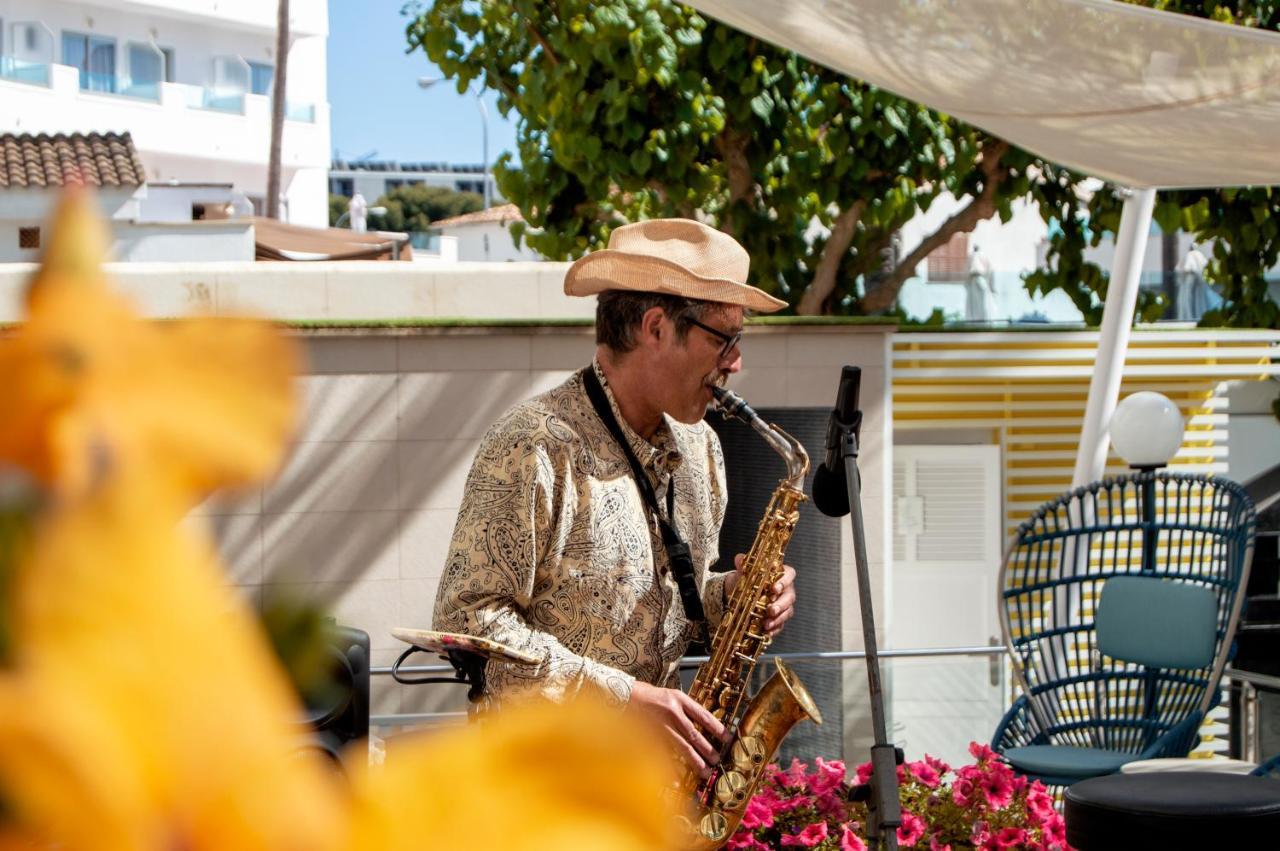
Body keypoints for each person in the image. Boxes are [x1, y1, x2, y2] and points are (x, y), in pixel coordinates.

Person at [432, 218, 798, 777]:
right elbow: (469, 619)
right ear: (655, 327)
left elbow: (682, 607)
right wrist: (624, 697)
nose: (736, 361)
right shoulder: (533, 444)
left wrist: (738, 600)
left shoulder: (703, 449)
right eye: (724, 339)